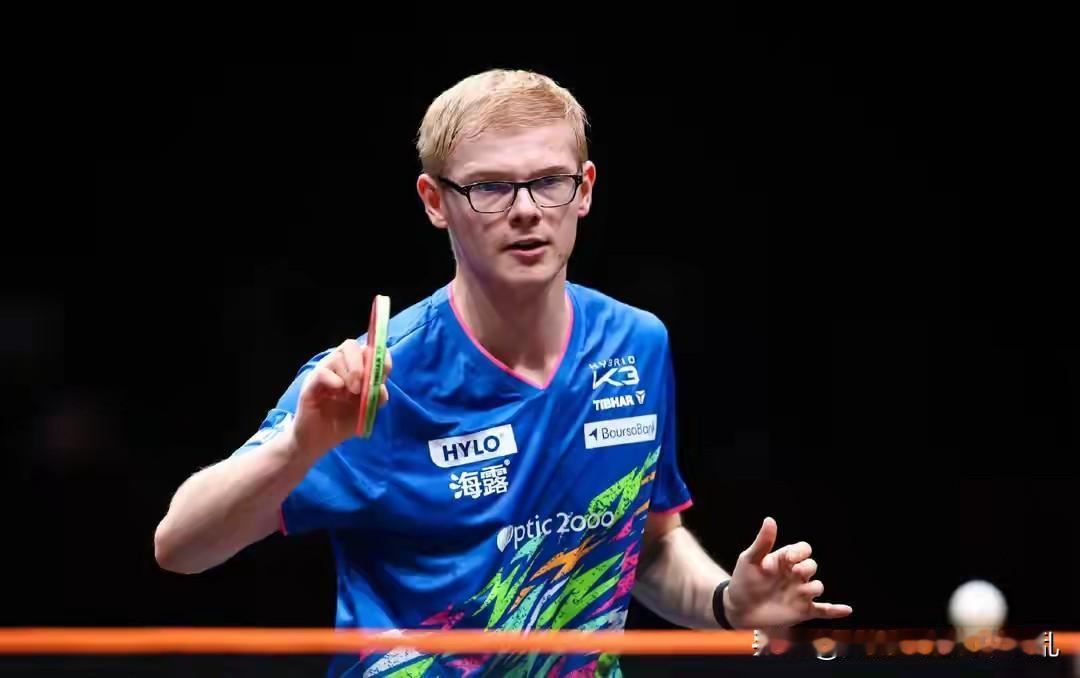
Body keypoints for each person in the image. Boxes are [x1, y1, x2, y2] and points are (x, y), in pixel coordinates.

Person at [154, 68, 852, 677]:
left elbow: (649, 546)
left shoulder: (636, 345)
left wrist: (729, 603)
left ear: (584, 189)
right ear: (435, 201)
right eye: (489, 187)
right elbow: (180, 546)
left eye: (548, 182)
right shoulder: (378, 380)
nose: (525, 211)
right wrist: (299, 445)